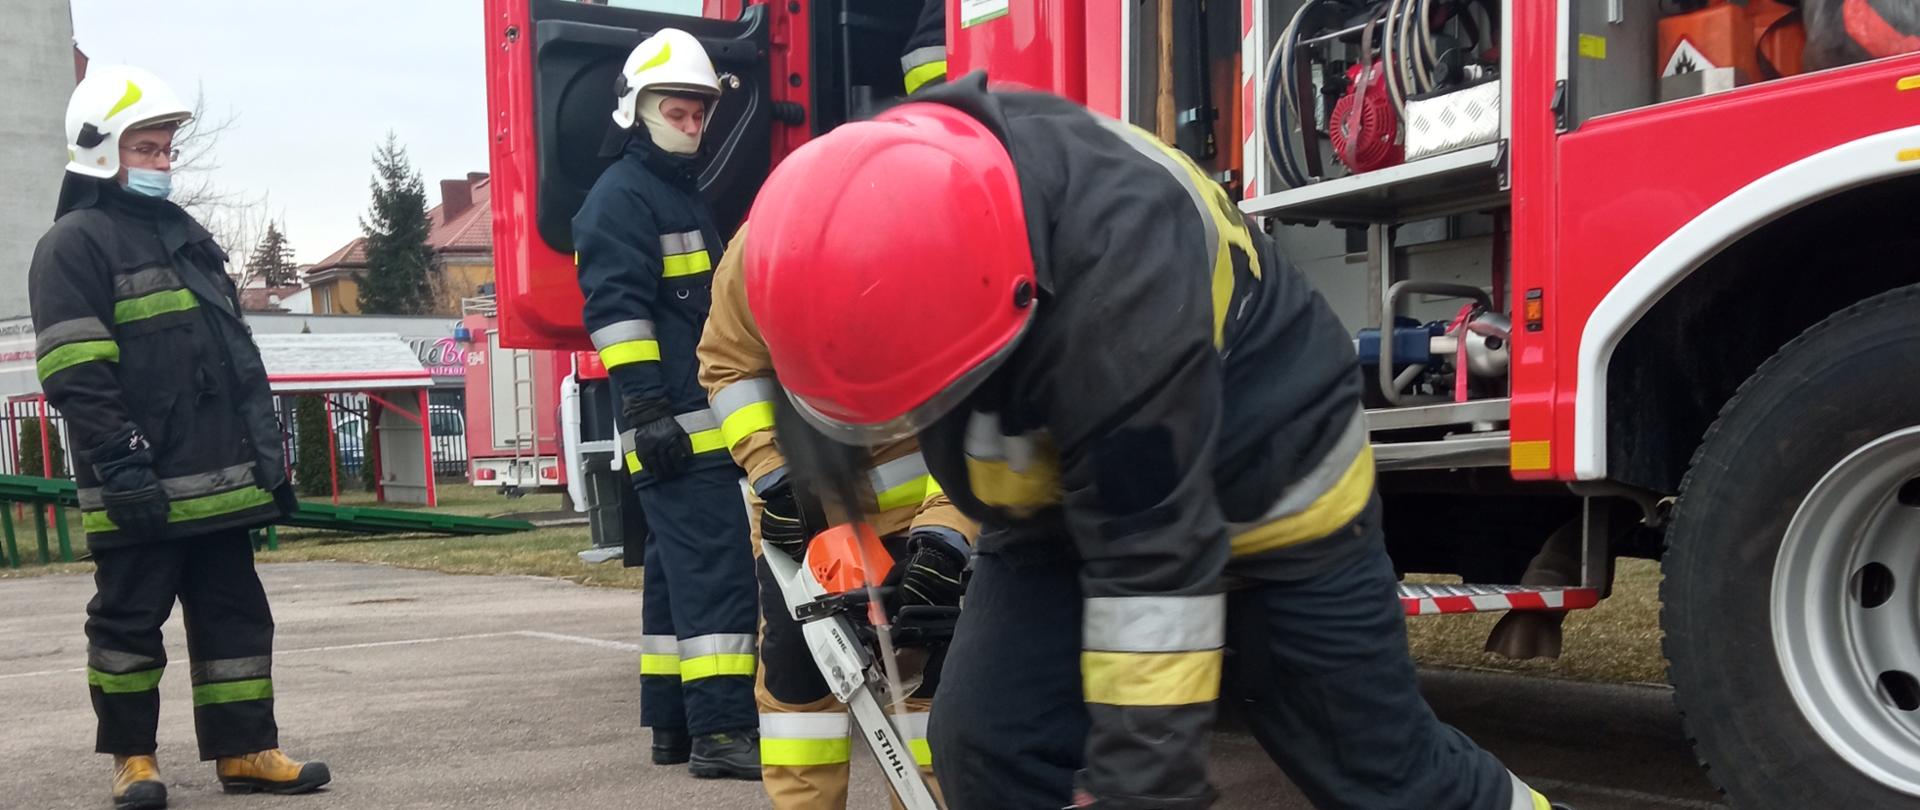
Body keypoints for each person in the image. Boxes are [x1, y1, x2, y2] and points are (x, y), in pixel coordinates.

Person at [739, 73, 1572, 810]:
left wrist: (1142, 785)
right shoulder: (880, 203)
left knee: (1383, 775)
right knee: (989, 743)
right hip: (1060, 503)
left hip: (1273, 487)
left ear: (1009, 309)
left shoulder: (1118, 292)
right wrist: (846, 487)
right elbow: (832, 365)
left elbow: (1153, 571)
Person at [29, 65, 330, 810]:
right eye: (148, 148)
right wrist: (121, 462)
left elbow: (235, 365)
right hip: (139, 484)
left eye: (167, 149)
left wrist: (267, 464)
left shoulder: (188, 238)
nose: (164, 163)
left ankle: (246, 751)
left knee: (236, 620)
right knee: (129, 626)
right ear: (102, 150)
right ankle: (133, 759)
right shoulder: (73, 245)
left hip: (219, 484)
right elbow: (75, 369)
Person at [697, 224, 977, 807]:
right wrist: (774, 476)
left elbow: (982, 431)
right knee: (799, 706)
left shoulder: (951, 261)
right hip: (800, 525)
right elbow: (730, 367)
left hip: (921, 515)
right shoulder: (760, 253)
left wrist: (946, 538)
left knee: (924, 698)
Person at [572, 29, 760, 779]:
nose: (691, 126)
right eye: (677, 112)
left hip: (687, 427)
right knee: (716, 572)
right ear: (637, 109)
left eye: (698, 114)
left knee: (674, 579)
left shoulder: (672, 193)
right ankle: (723, 734)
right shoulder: (620, 199)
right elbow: (618, 314)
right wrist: (646, 409)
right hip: (675, 427)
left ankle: (674, 728)